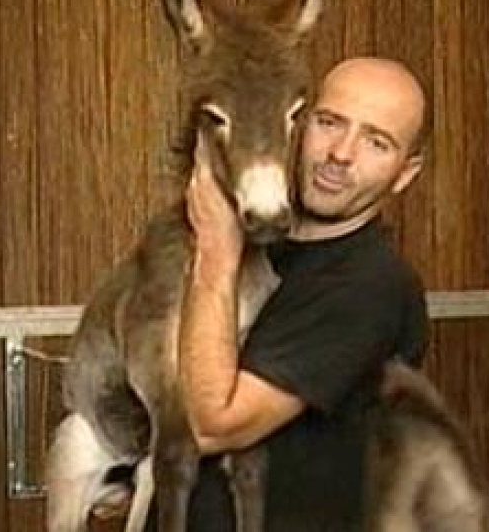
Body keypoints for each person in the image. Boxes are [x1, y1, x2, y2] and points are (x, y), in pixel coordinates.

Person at [161, 56, 433, 532]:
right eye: (329, 123)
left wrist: (215, 254)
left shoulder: (369, 286)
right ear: (296, 126)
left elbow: (210, 425)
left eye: (376, 142)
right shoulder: (258, 249)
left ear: (405, 173)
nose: (341, 154)